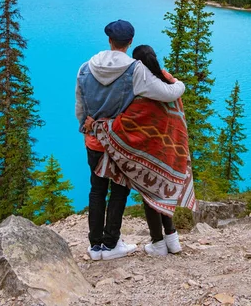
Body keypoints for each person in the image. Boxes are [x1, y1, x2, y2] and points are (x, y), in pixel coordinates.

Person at [75, 20, 186, 261]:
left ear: (109, 40)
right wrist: (179, 83)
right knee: (118, 191)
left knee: (96, 190)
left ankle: (95, 247)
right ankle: (112, 243)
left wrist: (87, 127)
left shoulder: (85, 68)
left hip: (94, 140)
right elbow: (168, 93)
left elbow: (80, 107)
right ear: (130, 42)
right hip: (120, 144)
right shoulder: (135, 70)